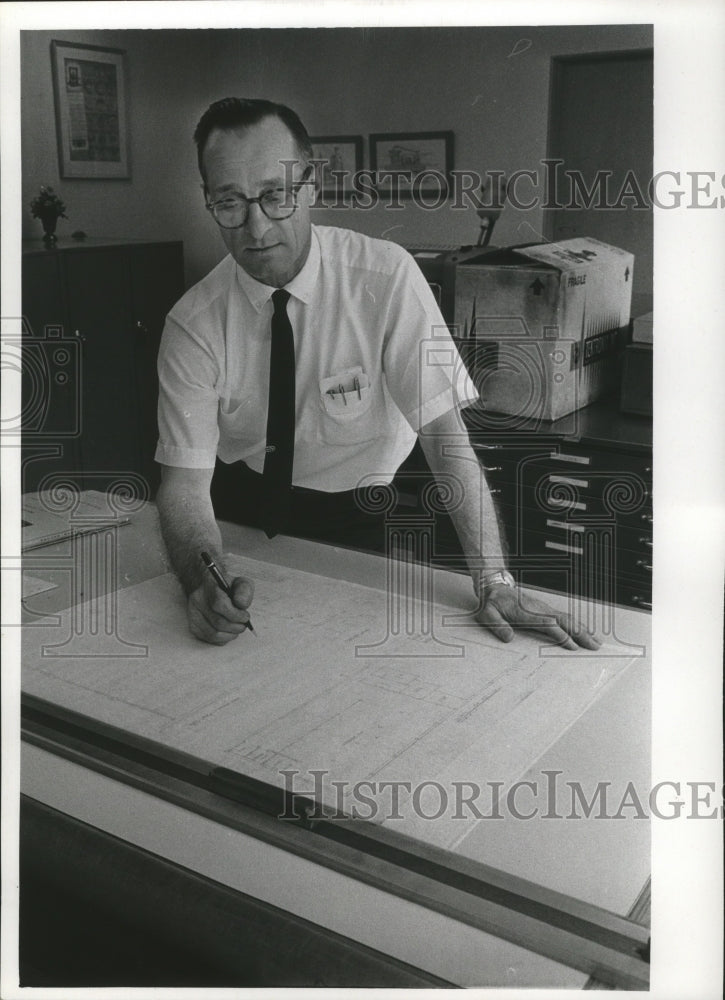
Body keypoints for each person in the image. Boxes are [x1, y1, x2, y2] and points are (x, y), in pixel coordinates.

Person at [155, 97, 600, 653]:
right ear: (209, 201)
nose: (256, 225)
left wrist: (495, 581)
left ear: (310, 187)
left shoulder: (387, 278)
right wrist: (203, 580)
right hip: (238, 522)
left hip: (359, 519)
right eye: (230, 202)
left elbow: (445, 439)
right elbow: (186, 484)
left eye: (275, 195)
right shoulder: (193, 323)